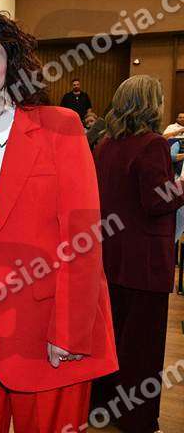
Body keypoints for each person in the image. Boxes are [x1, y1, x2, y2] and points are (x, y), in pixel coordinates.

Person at [0, 11, 118, 432]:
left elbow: (83, 236)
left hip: (45, 315)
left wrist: (70, 330)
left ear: (12, 63)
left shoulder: (59, 127)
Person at [93, 75, 184, 433]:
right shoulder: (153, 144)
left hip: (111, 256)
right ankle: (138, 420)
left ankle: (104, 406)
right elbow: (156, 201)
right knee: (142, 349)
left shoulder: (106, 144)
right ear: (151, 103)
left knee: (112, 341)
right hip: (145, 262)